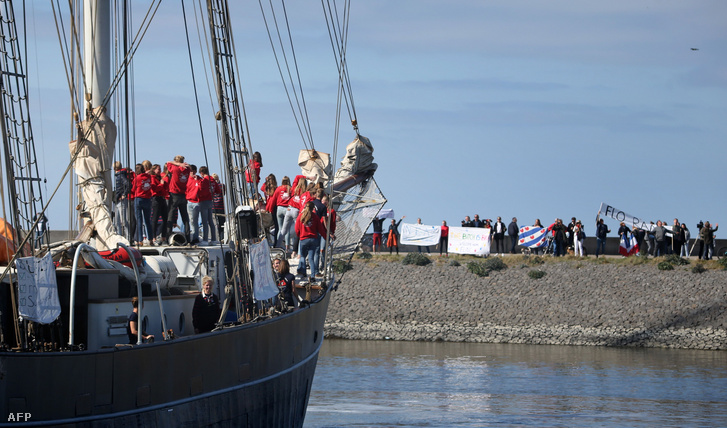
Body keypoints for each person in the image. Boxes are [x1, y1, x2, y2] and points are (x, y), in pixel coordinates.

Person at [295, 201, 327, 280]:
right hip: (313, 239)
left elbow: (296, 229)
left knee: (302, 256)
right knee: (311, 258)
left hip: (303, 239)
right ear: (313, 209)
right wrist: (326, 237)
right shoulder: (315, 217)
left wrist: (300, 236)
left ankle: (304, 272)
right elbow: (320, 229)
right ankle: (313, 275)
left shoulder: (300, 217)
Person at [165, 155, 191, 240]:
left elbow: (168, 163)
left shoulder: (175, 169)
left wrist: (177, 163)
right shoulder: (187, 170)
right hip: (183, 195)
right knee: (185, 217)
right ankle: (188, 236)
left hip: (174, 194)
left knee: (170, 216)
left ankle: (168, 236)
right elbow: (189, 167)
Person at [132, 161, 154, 245]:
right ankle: (150, 239)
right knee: (147, 220)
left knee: (139, 221)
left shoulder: (137, 178)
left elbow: (133, 189)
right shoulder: (149, 177)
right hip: (147, 199)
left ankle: (140, 240)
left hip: (139, 198)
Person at [149, 164, 169, 245]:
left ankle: (163, 237)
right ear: (154, 170)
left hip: (162, 198)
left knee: (165, 218)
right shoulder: (152, 178)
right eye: (158, 169)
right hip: (156, 199)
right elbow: (155, 189)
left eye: (160, 169)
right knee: (155, 218)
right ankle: (153, 237)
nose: (160, 170)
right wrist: (161, 184)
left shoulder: (160, 178)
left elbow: (164, 188)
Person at [271, 176, 292, 248]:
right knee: (287, 229)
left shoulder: (278, 189)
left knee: (280, 228)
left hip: (279, 209)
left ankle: (278, 245)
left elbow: (273, 199)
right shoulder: (291, 189)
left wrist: (270, 209)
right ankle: (287, 246)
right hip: (287, 209)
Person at [197, 166, 216, 244]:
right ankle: (214, 239)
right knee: (210, 221)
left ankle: (205, 239)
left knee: (205, 221)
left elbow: (201, 191)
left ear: (201, 173)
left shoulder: (205, 180)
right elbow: (218, 190)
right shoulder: (213, 180)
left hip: (203, 201)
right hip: (210, 201)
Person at [113, 161, 132, 238]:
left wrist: (124, 194)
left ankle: (128, 237)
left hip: (120, 199)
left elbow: (128, 184)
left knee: (123, 220)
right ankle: (119, 237)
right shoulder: (119, 175)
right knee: (117, 221)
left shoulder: (121, 175)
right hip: (117, 200)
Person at [211, 173, 225, 241]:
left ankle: (214, 238)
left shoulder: (211, 186)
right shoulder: (222, 186)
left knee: (214, 224)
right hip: (221, 207)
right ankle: (222, 237)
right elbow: (224, 193)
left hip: (213, 207)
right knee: (222, 224)